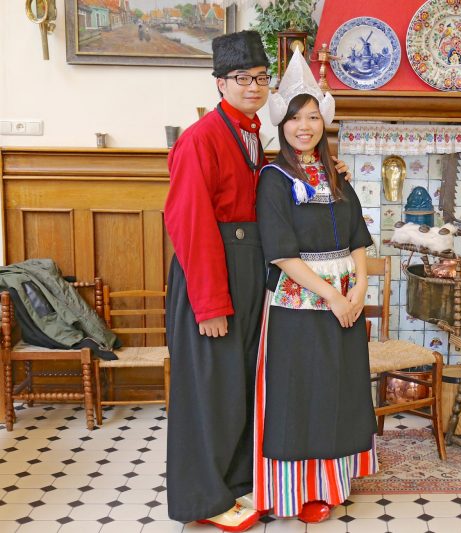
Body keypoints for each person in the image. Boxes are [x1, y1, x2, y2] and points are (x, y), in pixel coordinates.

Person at [163, 31, 352, 532]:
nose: (253, 86)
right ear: (220, 82)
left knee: (237, 386)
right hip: (212, 277)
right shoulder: (200, 138)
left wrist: (323, 172)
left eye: (261, 78)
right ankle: (205, 499)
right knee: (209, 390)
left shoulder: (250, 134)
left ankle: (237, 481)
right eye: (242, 78)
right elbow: (189, 224)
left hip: (248, 274)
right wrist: (209, 304)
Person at [251, 49, 378, 524]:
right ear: (280, 124)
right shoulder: (273, 179)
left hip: (346, 302)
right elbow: (281, 252)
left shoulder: (336, 174)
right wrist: (333, 297)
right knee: (300, 394)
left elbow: (358, 236)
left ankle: (332, 484)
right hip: (300, 306)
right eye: (294, 118)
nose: (303, 126)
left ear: (324, 120)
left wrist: (359, 290)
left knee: (339, 390)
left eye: (311, 117)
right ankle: (295, 492)